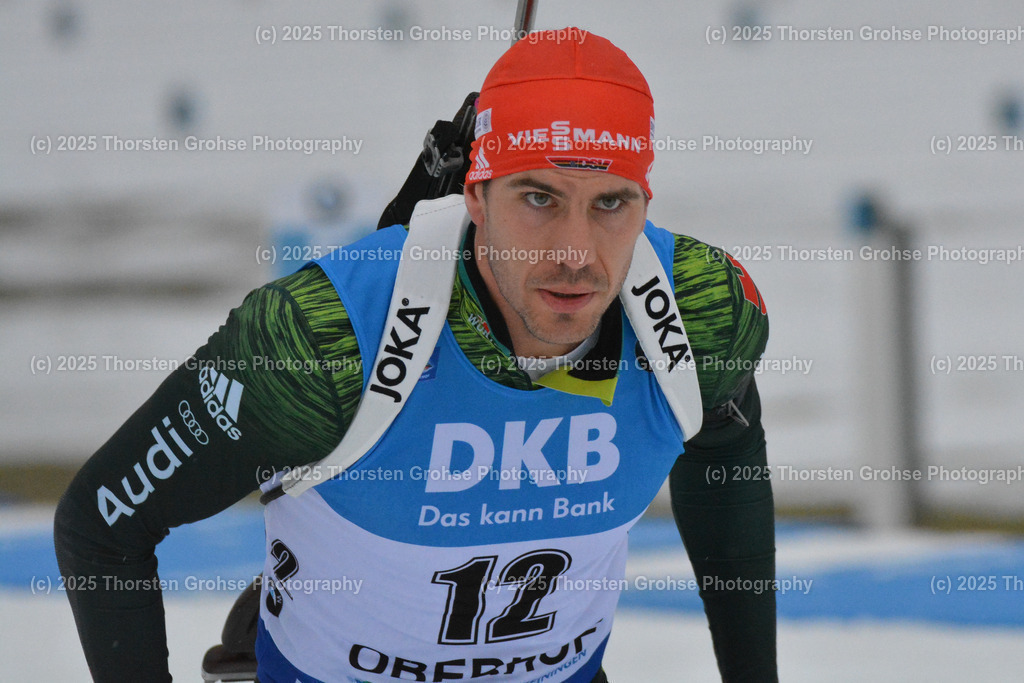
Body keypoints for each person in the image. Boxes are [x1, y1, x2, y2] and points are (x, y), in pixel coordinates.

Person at [55, 28, 776, 682]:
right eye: (539, 198)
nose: (575, 253)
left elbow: (727, 455)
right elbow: (103, 523)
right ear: (476, 195)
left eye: (611, 204)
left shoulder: (702, 316)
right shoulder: (322, 341)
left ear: (647, 202)